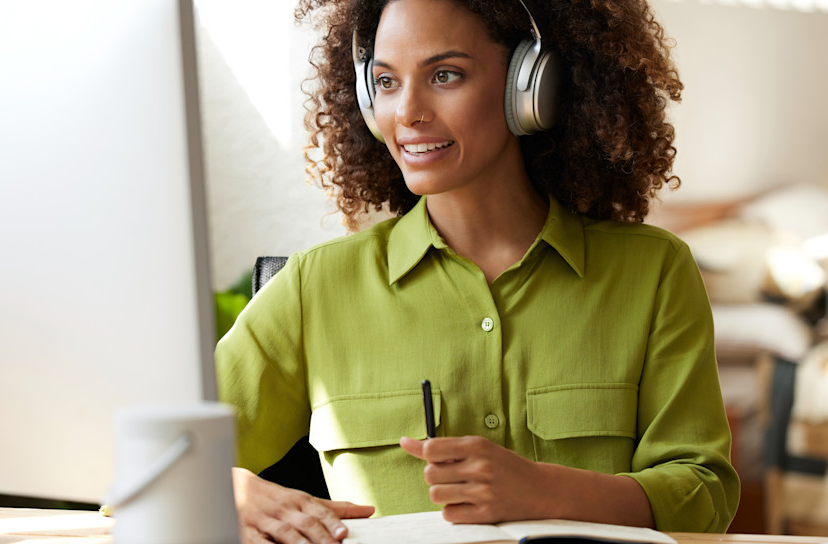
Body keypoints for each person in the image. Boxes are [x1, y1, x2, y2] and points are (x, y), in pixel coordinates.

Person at [215, 0, 740, 542]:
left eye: (445, 75)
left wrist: (547, 492)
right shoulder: (313, 288)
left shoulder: (654, 273)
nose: (408, 112)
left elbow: (704, 493)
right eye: (386, 82)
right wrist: (231, 491)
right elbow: (154, 461)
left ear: (530, 88)